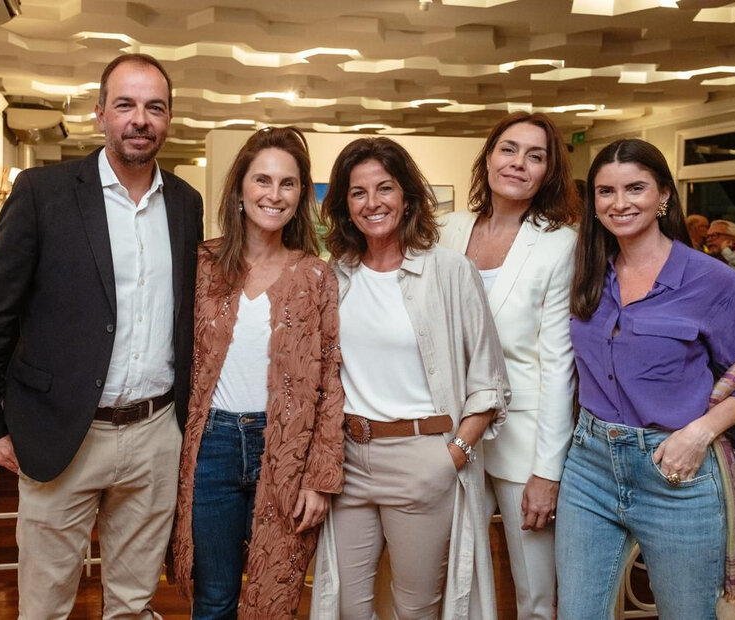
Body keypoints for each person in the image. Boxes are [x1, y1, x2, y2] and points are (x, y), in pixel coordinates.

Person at [0, 54, 203, 617]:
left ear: (168, 120)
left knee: (134, 604)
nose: (140, 119)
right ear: (100, 115)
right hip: (63, 432)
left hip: (156, 434)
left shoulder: (186, 203)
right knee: (45, 604)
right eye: (126, 105)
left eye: (154, 107)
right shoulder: (44, 191)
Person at [559, 139, 735, 619]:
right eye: (605, 191)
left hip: (678, 472)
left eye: (636, 188)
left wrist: (698, 434)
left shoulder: (715, 281)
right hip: (589, 465)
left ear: (664, 196)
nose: (620, 203)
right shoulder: (587, 272)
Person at [310, 137, 509, 620]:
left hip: (423, 458)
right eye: (358, 193)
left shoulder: (450, 271)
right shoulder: (333, 277)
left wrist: (453, 455)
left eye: (385, 188)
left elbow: (489, 381)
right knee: (347, 608)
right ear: (343, 205)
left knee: (415, 608)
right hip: (348, 462)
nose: (373, 203)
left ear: (408, 197)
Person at [168, 127, 345, 619]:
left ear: (300, 196)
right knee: (215, 597)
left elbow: (330, 383)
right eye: (262, 180)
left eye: (288, 184)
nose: (274, 194)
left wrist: (319, 478)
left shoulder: (315, 276)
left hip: (284, 448)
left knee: (275, 599)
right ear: (240, 190)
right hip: (212, 448)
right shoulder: (201, 265)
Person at [439, 111, 579, 620]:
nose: (518, 163)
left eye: (535, 156)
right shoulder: (449, 229)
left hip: (525, 437)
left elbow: (558, 362)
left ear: (548, 173)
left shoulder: (560, 241)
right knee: (466, 578)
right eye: (508, 149)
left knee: (536, 592)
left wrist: (549, 469)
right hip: (455, 433)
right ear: (489, 157)